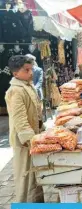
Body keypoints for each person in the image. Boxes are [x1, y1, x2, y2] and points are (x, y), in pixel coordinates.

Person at [5, 55, 44, 202]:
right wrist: (30, 140)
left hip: (33, 138)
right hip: (24, 142)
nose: (31, 73)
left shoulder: (28, 86)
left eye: (31, 69)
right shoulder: (15, 90)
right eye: (27, 70)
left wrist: (42, 131)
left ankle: (37, 203)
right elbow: (20, 119)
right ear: (16, 74)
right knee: (25, 178)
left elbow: (35, 113)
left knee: (35, 176)